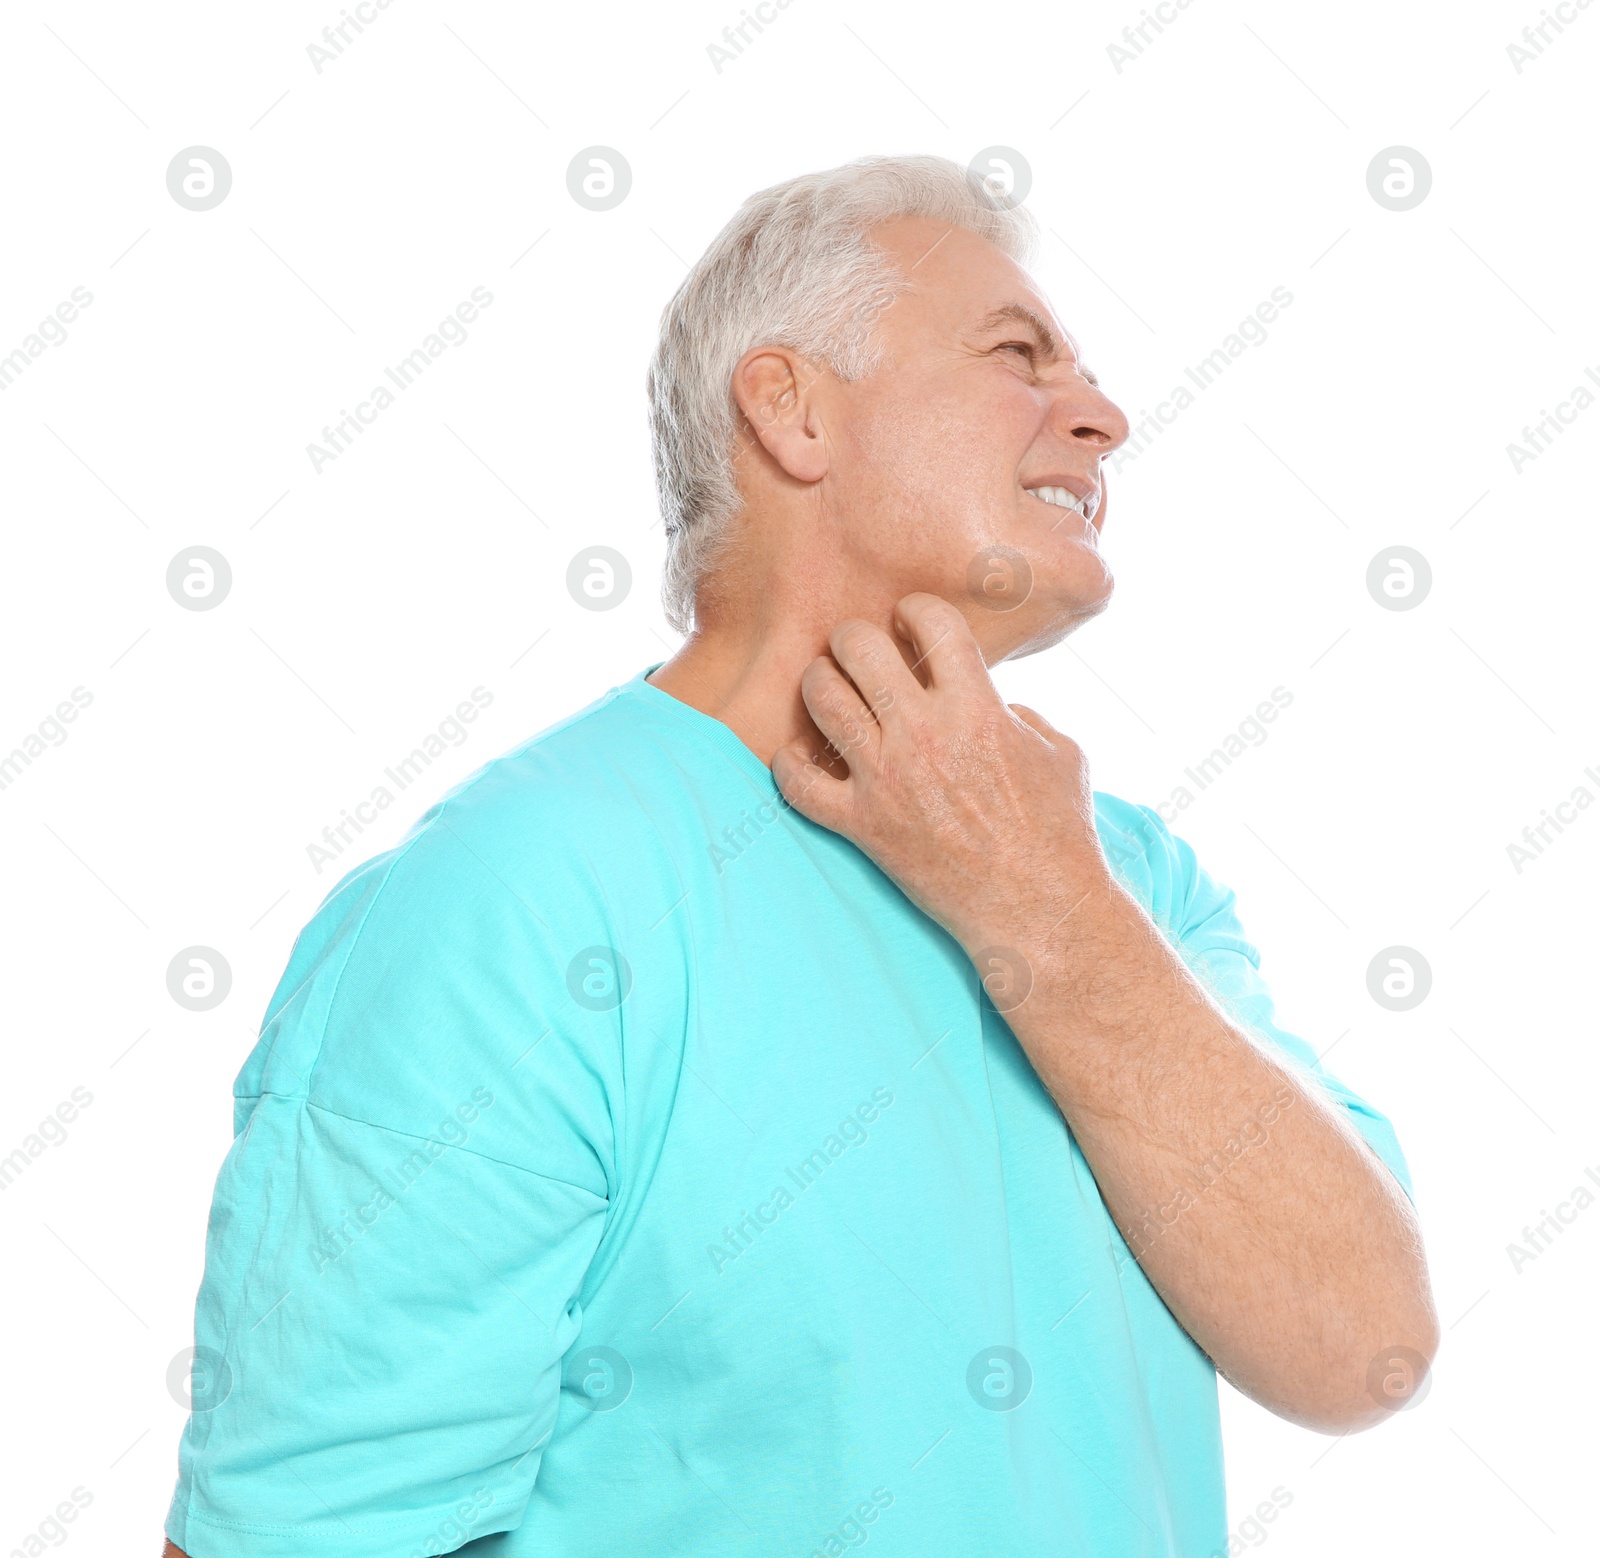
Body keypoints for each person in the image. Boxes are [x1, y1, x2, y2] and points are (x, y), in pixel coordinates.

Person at [162, 154, 1436, 1558]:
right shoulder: (521, 898)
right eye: (1021, 354)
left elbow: (1358, 1343)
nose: (1105, 415)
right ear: (792, 407)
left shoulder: (1132, 882)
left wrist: (1043, 899)